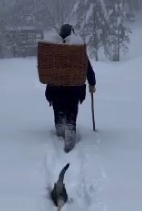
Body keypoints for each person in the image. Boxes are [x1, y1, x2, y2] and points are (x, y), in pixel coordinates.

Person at [45, 24, 96, 153]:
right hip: (74, 89)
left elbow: (48, 68)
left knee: (58, 110)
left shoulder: (54, 49)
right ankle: (69, 130)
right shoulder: (76, 49)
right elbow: (87, 68)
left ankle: (60, 128)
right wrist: (92, 83)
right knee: (71, 112)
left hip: (56, 89)